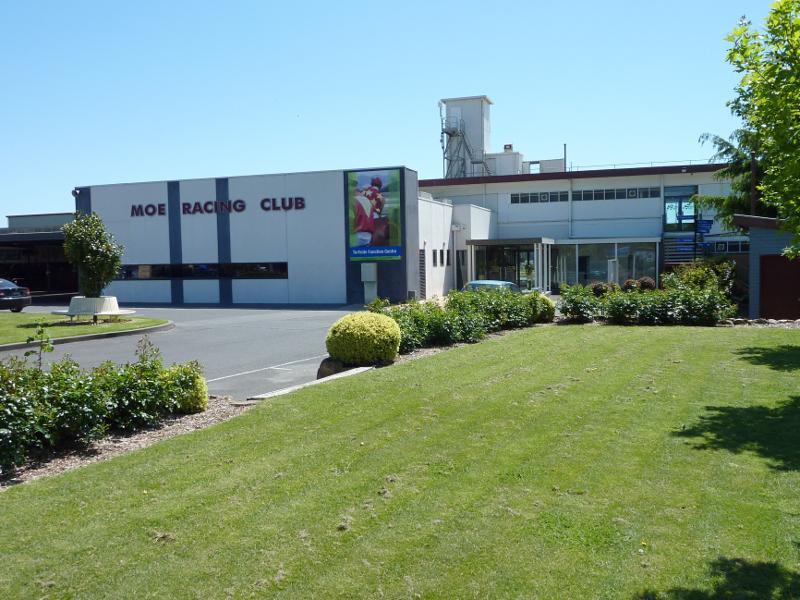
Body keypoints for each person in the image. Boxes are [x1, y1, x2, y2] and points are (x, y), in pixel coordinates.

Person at [353, 177, 385, 246]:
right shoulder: (381, 196)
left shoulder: (365, 192)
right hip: (375, 216)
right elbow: (381, 208)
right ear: (380, 185)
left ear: (372, 184)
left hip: (366, 216)